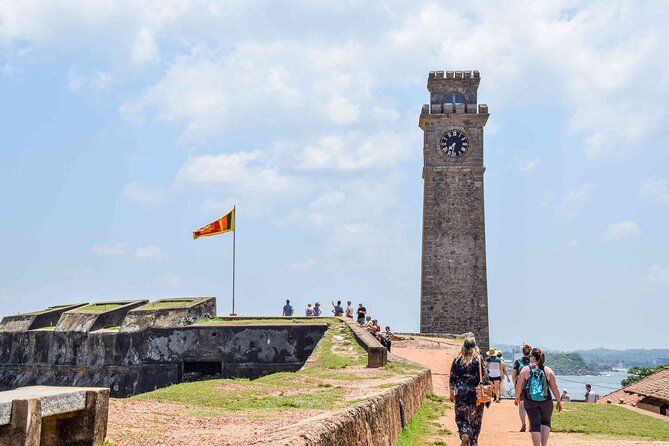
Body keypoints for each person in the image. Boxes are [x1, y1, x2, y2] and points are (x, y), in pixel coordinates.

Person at [515, 348, 562, 446]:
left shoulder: (525, 369)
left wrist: (517, 397)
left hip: (530, 401)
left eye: (530, 356)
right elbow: (554, 388)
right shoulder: (548, 370)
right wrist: (558, 401)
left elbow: (519, 385)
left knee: (535, 425)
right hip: (546, 401)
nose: (529, 358)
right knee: (545, 422)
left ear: (533, 357)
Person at [449, 337, 488, 446]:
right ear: (475, 347)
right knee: (475, 421)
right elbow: (485, 378)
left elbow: (452, 378)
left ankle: (464, 433)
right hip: (475, 394)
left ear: (463, 347)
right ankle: (473, 441)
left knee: (460, 417)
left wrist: (452, 392)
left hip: (461, 393)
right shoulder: (478, 359)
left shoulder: (457, 360)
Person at [512, 344, 532, 432]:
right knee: (531, 407)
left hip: (521, 387)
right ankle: (531, 425)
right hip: (531, 387)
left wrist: (515, 385)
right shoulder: (533, 363)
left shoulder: (518, 362)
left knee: (521, 406)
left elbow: (513, 376)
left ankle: (523, 423)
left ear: (522, 352)